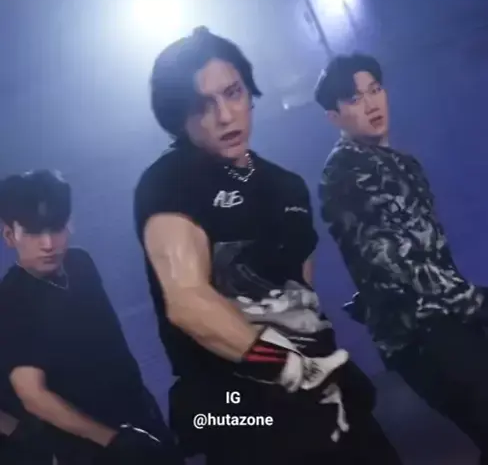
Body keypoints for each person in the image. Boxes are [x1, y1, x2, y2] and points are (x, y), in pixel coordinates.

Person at [133, 27, 402, 465]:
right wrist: (292, 366)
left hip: (325, 397)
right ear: (178, 115)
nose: (225, 115)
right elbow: (187, 303)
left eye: (233, 93)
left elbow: (303, 294)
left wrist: (325, 362)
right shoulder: (169, 181)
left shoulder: (286, 186)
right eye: (203, 105)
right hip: (242, 411)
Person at [316, 53, 488, 464]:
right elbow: (394, 263)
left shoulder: (404, 164)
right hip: (422, 335)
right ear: (334, 116)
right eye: (355, 98)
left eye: (375, 90)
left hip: (452, 319)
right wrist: (475, 301)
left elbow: (429, 254)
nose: (371, 103)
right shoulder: (344, 173)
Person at [0, 170, 184, 465]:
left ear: (70, 223)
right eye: (33, 232)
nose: (48, 244)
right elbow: (33, 395)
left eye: (56, 227)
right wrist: (114, 441)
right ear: (10, 235)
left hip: (140, 418)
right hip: (91, 447)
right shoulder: (11, 299)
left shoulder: (80, 263)